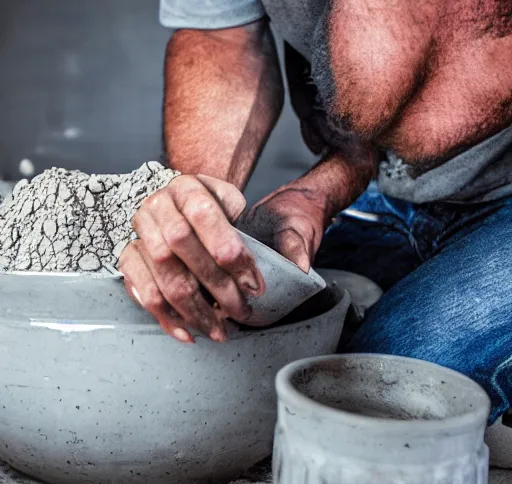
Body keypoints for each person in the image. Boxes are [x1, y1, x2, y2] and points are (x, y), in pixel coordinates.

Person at [118, 0, 512, 423]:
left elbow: (450, 69)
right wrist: (200, 216)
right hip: (387, 182)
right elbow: (224, 35)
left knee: (367, 392)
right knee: (255, 338)